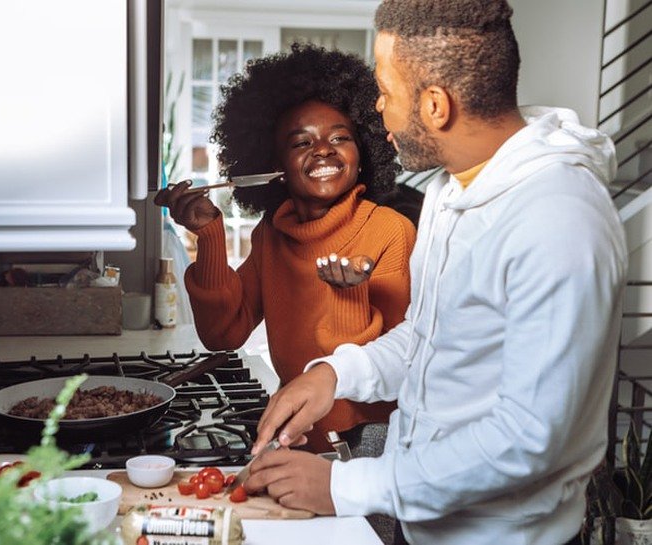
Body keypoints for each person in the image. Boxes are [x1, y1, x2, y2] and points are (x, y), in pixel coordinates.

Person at [246, 2, 629, 544]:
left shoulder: (558, 221)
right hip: (425, 522)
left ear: (434, 105)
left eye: (385, 90)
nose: (376, 109)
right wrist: (335, 375)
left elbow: (527, 439)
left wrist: (345, 486)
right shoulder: (454, 190)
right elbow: (434, 337)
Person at [154, 43, 417, 453]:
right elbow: (224, 333)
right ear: (274, 165)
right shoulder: (272, 235)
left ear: (363, 154)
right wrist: (208, 236)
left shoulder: (391, 231)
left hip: (369, 446)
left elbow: (400, 363)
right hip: (295, 435)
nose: (323, 149)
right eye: (301, 142)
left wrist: (348, 296)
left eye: (340, 137)